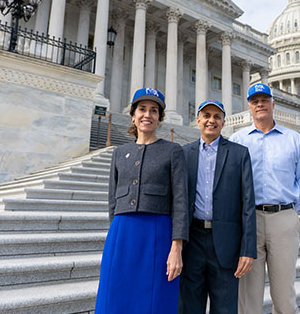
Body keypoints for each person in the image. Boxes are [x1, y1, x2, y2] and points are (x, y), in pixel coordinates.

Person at [95, 88, 188, 314]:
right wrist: (115, 233)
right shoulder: (120, 152)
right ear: (133, 115)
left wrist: (177, 247)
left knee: (154, 300)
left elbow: (180, 201)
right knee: (114, 296)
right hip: (122, 232)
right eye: (142, 109)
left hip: (157, 233)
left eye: (154, 111)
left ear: (160, 118)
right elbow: (112, 198)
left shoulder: (173, 151)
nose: (147, 115)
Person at [230, 83, 300, 314]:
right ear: (248, 106)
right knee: (248, 293)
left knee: (284, 292)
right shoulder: (238, 139)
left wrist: (289, 210)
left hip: (283, 218)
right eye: (255, 101)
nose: (260, 104)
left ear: (273, 103)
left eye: (264, 100)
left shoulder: (294, 139)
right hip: (249, 220)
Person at [179, 99, 257, 314]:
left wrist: (247, 249)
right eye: (206, 116)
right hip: (192, 241)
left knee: (225, 308)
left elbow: (248, 204)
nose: (211, 121)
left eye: (216, 116)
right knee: (189, 307)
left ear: (223, 122)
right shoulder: (184, 154)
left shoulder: (239, 154)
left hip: (226, 244)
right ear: (198, 120)